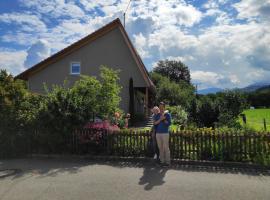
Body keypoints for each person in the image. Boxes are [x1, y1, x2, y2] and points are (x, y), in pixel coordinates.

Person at [153, 102, 172, 167]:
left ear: (164, 107)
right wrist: (160, 119)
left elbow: (169, 124)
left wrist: (164, 120)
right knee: (160, 148)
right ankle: (162, 161)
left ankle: (167, 162)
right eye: (160, 107)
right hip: (158, 133)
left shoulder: (167, 114)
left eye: (162, 107)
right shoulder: (157, 115)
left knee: (166, 148)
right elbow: (155, 123)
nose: (161, 108)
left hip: (165, 133)